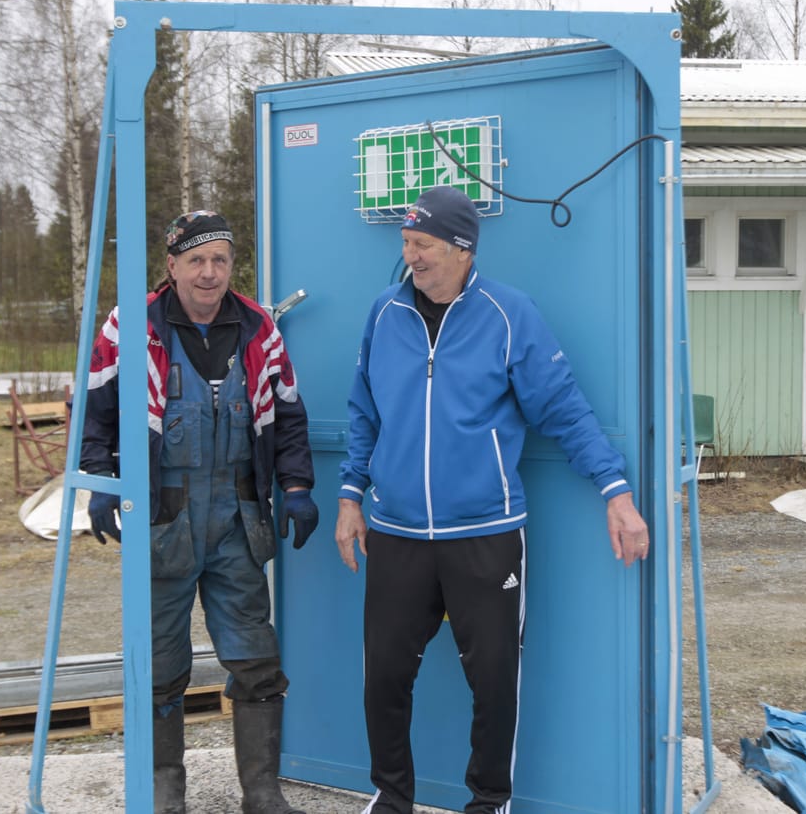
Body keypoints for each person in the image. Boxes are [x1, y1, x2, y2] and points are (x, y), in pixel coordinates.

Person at [335, 186, 650, 814]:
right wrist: (350, 495)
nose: (411, 256)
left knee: (494, 682)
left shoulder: (509, 314)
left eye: (422, 244)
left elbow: (563, 407)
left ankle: (489, 802)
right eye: (405, 243)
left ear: (461, 248)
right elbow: (364, 410)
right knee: (385, 677)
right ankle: (390, 797)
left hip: (485, 531)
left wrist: (615, 490)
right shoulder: (383, 313)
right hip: (396, 531)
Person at [82, 210, 319, 814]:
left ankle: (261, 791)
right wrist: (101, 481)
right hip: (162, 518)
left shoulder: (260, 327)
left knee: (256, 657)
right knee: (160, 661)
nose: (209, 273)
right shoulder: (130, 327)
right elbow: (95, 410)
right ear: (172, 265)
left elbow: (287, 415)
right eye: (196, 260)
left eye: (219, 259)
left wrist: (296, 486)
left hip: (239, 519)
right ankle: (165, 790)